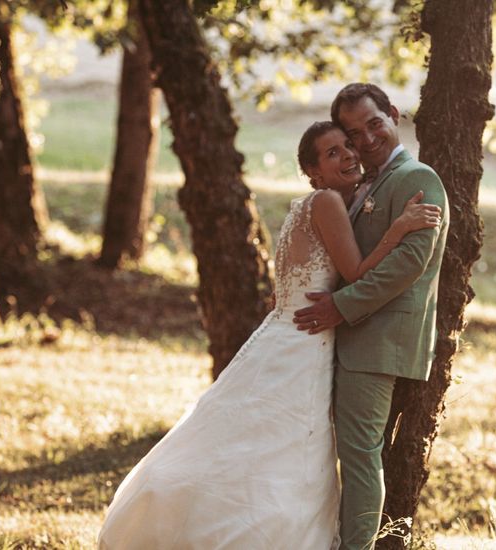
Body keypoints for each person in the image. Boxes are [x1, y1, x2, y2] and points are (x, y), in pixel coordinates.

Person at [96, 120, 442, 550]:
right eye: (332, 153)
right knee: (286, 446)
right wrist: (401, 225)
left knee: (262, 444)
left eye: (347, 146)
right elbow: (354, 273)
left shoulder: (309, 205)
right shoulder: (329, 203)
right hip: (305, 342)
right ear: (313, 172)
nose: (349, 155)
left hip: (285, 333)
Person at [293, 83, 450, 550]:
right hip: (350, 338)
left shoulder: (417, 178)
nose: (367, 138)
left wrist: (339, 307)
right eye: (354, 132)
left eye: (374, 123)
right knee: (345, 453)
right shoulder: (364, 184)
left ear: (394, 116)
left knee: (361, 456)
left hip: (380, 338)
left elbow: (407, 265)